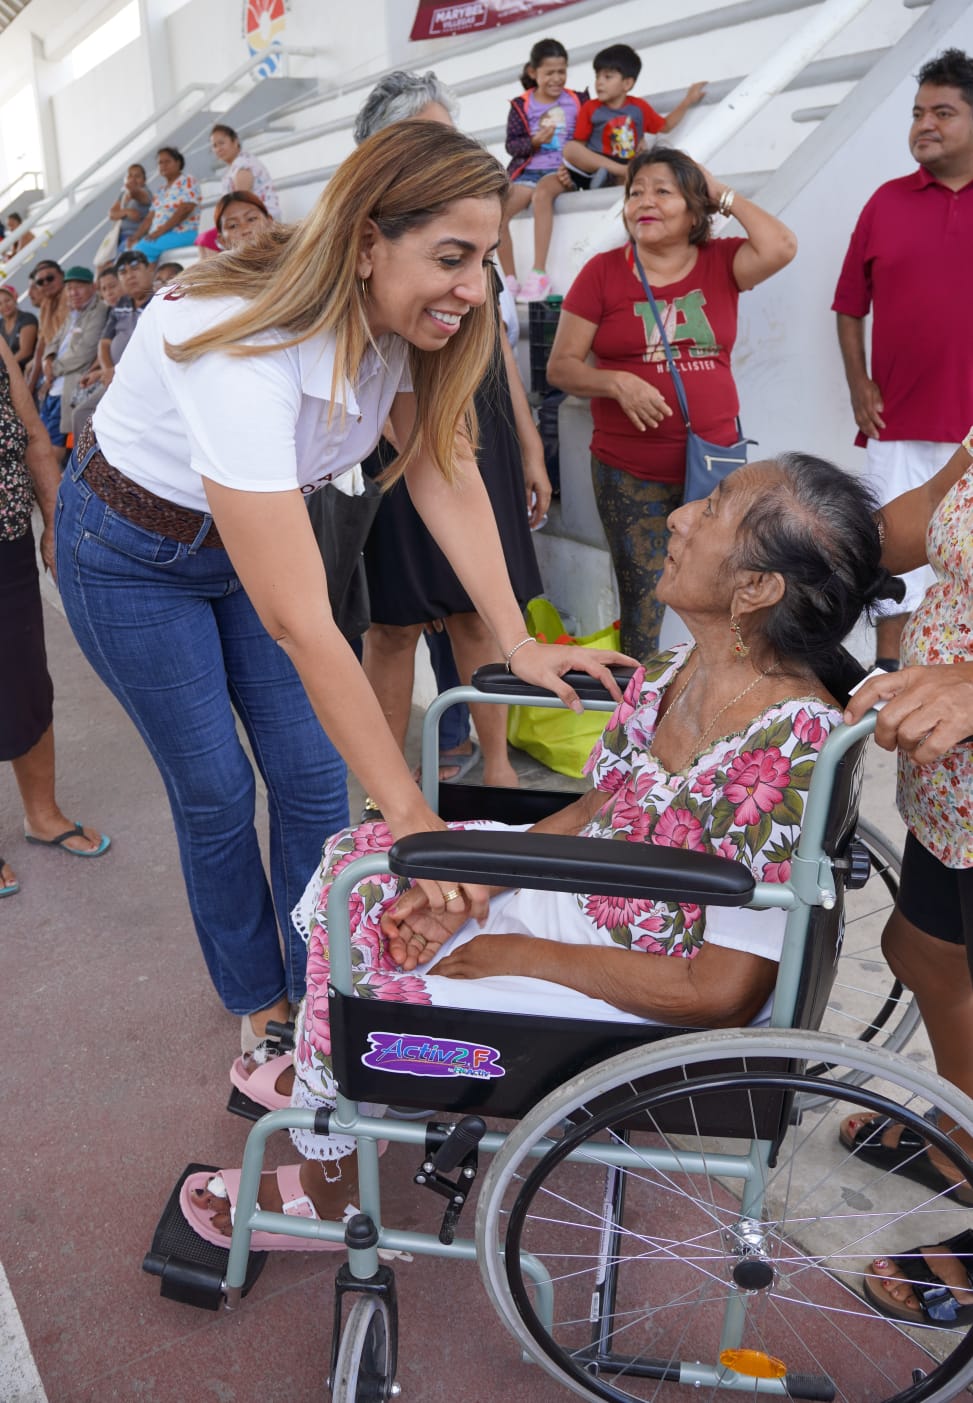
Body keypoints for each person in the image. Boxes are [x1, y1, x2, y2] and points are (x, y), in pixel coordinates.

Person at [178, 454, 902, 1242]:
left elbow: (719, 990)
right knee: (368, 868)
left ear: (756, 589)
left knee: (365, 955)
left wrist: (513, 950)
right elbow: (600, 807)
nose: (679, 516)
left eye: (716, 507)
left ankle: (330, 1168)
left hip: (647, 977)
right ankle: (340, 1070)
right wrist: (480, 889)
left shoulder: (790, 746)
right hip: (587, 894)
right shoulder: (679, 670)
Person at [55, 121, 625, 1059]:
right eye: (451, 256)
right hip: (129, 555)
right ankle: (263, 1009)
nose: (473, 287)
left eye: (483, 257)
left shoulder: (398, 321)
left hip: (243, 541)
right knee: (216, 787)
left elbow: (440, 465)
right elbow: (303, 625)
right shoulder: (238, 349)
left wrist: (517, 641)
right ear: (367, 241)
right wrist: (408, 813)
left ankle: (317, 969)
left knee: (316, 775)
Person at [353, 71, 550, 791]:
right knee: (393, 621)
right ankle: (386, 782)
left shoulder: (461, 257)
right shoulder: (351, 308)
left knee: (476, 612)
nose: (469, 283)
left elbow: (489, 352)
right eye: (426, 141)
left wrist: (528, 444)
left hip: (472, 431)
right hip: (394, 445)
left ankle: (493, 766)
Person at [547, 146, 797, 661]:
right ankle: (638, 718)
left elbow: (781, 245)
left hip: (714, 466)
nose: (644, 201)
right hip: (627, 471)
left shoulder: (721, 261)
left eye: (663, 191)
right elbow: (561, 366)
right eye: (635, 191)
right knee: (643, 598)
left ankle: (719, 704)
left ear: (694, 206)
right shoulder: (601, 273)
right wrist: (615, 382)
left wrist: (720, 191)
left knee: (726, 588)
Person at [839, 424, 973, 1327]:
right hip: (953, 778)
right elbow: (930, 511)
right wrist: (803, 542)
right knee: (921, 945)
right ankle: (964, 1134)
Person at [833, 48, 973, 671]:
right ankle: (890, 683)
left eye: (943, 112)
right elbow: (847, 304)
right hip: (899, 422)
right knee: (893, 569)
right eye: (918, 112)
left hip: (971, 429)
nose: (924, 124)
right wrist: (858, 382)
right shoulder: (885, 202)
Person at [0, 333, 109, 900]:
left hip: (6, 543)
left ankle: (42, 815)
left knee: (25, 683)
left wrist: (52, 517)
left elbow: (35, 437)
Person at [499, 38, 588, 303]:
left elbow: (586, 137)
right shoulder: (521, 104)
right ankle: (510, 280)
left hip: (560, 172)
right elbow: (512, 145)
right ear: (533, 72)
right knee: (498, 211)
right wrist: (534, 141)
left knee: (542, 196)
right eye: (550, 72)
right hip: (527, 172)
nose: (557, 78)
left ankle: (539, 273)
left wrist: (575, 169)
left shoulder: (576, 100)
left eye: (562, 71)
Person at [561, 45, 707, 193]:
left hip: (627, 163)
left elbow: (666, 126)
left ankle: (617, 176)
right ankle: (615, 173)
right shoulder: (591, 108)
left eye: (607, 77)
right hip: (598, 165)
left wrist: (688, 101)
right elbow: (580, 145)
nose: (599, 82)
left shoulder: (639, 108)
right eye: (597, 76)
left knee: (642, 165)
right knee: (570, 148)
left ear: (627, 83)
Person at [70, 252, 155, 441]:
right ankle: (89, 469)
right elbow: (105, 342)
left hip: (144, 378)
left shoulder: (159, 302)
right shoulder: (122, 303)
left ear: (150, 269)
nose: (130, 275)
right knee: (81, 415)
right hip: (116, 377)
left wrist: (111, 371)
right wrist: (107, 369)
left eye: (135, 268)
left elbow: (152, 350)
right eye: (123, 272)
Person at [36, 267, 108, 465]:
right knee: (44, 441)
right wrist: (47, 360)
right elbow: (53, 342)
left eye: (79, 287)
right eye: (69, 288)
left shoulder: (99, 311)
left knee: (55, 448)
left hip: (68, 388)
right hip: (52, 386)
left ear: (93, 287)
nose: (73, 293)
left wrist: (52, 370)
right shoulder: (72, 313)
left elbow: (84, 353)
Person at [130, 148, 201, 263]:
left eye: (167, 162)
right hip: (162, 236)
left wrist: (160, 231)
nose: (163, 166)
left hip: (184, 232)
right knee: (134, 252)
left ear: (178, 162)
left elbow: (185, 209)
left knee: (139, 252)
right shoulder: (161, 190)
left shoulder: (187, 180)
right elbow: (149, 218)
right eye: (160, 163)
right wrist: (135, 237)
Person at [210, 123, 281, 220]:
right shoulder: (234, 166)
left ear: (235, 141)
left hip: (262, 221)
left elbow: (241, 204)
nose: (218, 149)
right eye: (214, 146)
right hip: (251, 219)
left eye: (221, 143)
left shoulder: (242, 164)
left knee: (210, 235)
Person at [26, 262, 67, 398]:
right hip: (53, 368)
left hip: (69, 368)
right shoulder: (46, 305)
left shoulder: (71, 296)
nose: (46, 284)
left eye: (50, 278)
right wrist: (29, 387)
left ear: (62, 276)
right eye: (40, 282)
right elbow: (41, 348)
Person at [107, 164, 153, 253]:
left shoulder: (146, 192)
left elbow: (137, 194)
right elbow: (111, 214)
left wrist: (132, 190)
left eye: (137, 176)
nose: (133, 179)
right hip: (118, 237)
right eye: (130, 175)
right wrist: (127, 212)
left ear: (144, 180)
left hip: (133, 238)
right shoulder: (124, 193)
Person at [0, 284, 38, 371]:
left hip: (26, 369)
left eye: (7, 300)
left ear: (14, 298)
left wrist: (4, 369)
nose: (5, 306)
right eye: (0, 304)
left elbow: (25, 352)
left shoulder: (27, 318)